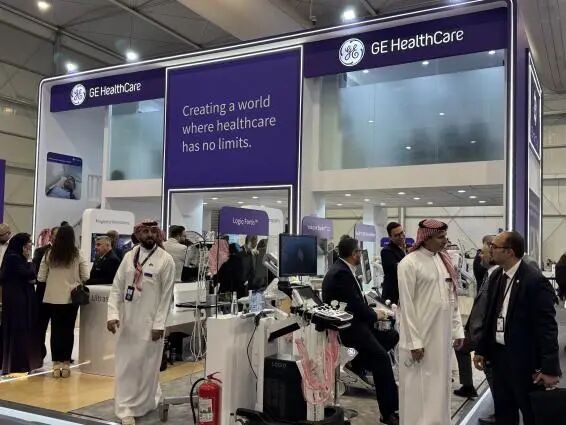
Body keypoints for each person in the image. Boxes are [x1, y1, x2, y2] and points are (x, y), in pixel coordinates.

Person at [473, 231, 561, 425]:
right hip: (499, 358)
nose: (489, 250)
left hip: (525, 362)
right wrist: (481, 349)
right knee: (504, 413)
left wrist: (549, 368)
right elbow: (490, 317)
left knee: (531, 414)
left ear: (509, 252)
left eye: (495, 246)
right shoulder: (497, 276)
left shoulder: (534, 280)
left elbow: (547, 327)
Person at [322, 236, 399, 425]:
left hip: (358, 325)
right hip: (349, 330)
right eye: (359, 251)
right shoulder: (341, 273)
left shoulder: (344, 269)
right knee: (382, 359)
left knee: (391, 336)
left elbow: (356, 302)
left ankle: (358, 363)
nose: (360, 255)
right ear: (354, 253)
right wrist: (376, 315)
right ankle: (388, 412)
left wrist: (374, 313)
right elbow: (355, 306)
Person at [107, 220, 175, 425]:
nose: (149, 235)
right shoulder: (129, 257)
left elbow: (166, 296)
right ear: (138, 234)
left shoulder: (166, 260)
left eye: (153, 231)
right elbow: (117, 288)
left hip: (150, 325)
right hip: (128, 324)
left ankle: (145, 403)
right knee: (126, 365)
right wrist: (112, 314)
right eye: (145, 231)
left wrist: (159, 325)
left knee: (147, 367)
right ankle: (126, 408)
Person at [397, 219, 465, 425]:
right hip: (420, 340)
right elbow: (406, 306)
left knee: (440, 387)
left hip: (442, 339)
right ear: (426, 238)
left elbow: (452, 300)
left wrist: (458, 330)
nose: (445, 241)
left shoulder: (443, 261)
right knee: (418, 390)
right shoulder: (409, 263)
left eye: (445, 236)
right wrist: (414, 342)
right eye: (440, 237)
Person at [37, 225, 89, 378]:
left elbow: (41, 277)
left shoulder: (49, 254)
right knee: (68, 330)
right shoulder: (78, 254)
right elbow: (86, 275)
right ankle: (66, 364)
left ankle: (56, 364)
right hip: (71, 298)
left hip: (52, 298)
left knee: (55, 331)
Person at [453, 235, 497, 401]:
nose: (479, 256)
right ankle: (468, 386)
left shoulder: (495, 277)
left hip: (483, 333)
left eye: (482, 252)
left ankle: (469, 387)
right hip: (479, 330)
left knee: (490, 369)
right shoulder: (488, 274)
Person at [0, 233, 42, 375]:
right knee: (19, 331)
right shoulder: (13, 258)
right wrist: (30, 262)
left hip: (18, 298)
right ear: (22, 245)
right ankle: (18, 364)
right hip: (17, 300)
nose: (30, 244)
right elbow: (29, 274)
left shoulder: (13, 257)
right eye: (28, 242)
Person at [32, 226, 59, 360]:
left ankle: (59, 356)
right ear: (51, 236)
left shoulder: (70, 252)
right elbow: (37, 272)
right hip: (43, 294)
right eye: (56, 235)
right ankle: (39, 353)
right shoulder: (41, 251)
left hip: (60, 296)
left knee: (58, 327)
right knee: (40, 326)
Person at [381, 222, 406, 304]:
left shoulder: (402, 249)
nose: (401, 236)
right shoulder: (387, 251)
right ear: (390, 237)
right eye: (397, 235)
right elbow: (397, 270)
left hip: (401, 294)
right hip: (392, 297)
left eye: (402, 233)